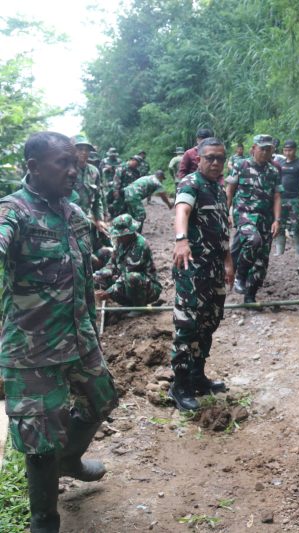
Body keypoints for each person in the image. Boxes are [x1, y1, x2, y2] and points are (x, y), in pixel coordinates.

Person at [0, 132, 119, 532]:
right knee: (39, 442)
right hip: (31, 351)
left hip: (80, 339)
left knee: (101, 399)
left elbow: (83, 275)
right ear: (33, 167)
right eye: (62, 163)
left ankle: (69, 459)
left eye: (74, 162)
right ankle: (44, 520)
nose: (73, 170)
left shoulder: (75, 214)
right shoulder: (13, 211)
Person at [170, 137, 234, 411]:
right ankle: (180, 385)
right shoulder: (191, 183)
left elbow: (222, 229)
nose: (216, 163)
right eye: (210, 158)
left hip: (215, 270)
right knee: (188, 326)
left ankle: (198, 376)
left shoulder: (219, 189)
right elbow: (182, 210)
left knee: (209, 322)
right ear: (199, 159)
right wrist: (181, 240)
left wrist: (228, 261)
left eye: (220, 158)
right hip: (193, 270)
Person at [226, 135, 282, 304]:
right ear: (253, 149)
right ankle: (241, 275)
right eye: (262, 149)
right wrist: (226, 212)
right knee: (253, 240)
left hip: (265, 218)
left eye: (268, 149)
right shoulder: (241, 165)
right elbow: (230, 190)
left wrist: (277, 220)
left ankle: (250, 297)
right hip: (245, 214)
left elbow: (277, 196)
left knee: (261, 261)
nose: (265, 152)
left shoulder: (274, 171)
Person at [93, 214, 162, 307]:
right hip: (124, 281)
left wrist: (109, 292)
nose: (119, 237)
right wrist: (99, 274)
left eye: (122, 235)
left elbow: (126, 275)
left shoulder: (139, 245)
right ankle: (127, 303)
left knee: (132, 277)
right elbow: (112, 264)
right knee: (98, 279)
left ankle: (138, 307)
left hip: (147, 288)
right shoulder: (120, 242)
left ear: (130, 233)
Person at [70, 134, 108, 252]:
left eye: (86, 150)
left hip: (88, 219)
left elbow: (98, 198)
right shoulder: (66, 170)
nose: (84, 152)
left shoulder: (94, 171)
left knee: (91, 250)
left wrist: (100, 219)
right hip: (69, 220)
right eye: (80, 149)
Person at [275, 139, 299, 255]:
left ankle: (298, 253)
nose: (287, 153)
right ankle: (279, 252)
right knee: (280, 225)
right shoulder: (280, 163)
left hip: (294, 199)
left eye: (290, 150)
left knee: (296, 226)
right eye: (285, 150)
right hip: (281, 199)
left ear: (295, 150)